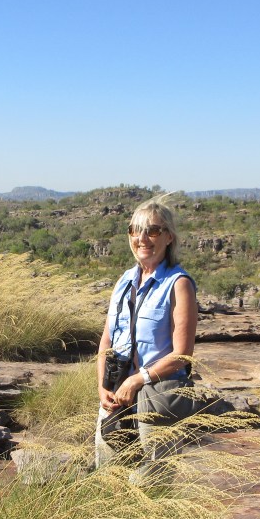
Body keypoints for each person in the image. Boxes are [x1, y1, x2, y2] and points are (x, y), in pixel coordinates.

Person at [95, 196, 215, 470]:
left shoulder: (178, 284)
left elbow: (182, 355)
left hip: (156, 399)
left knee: (151, 480)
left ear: (169, 237)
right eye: (135, 230)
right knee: (108, 478)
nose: (142, 238)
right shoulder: (124, 281)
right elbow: (106, 342)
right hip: (116, 397)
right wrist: (102, 387)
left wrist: (137, 380)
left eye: (152, 231)